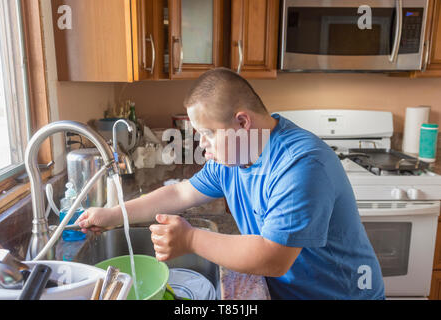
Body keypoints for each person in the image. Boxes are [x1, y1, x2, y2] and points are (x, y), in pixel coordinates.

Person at [77, 68, 385, 300]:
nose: (204, 146)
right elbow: (181, 191)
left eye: (208, 134)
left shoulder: (301, 164)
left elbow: (274, 257)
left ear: (242, 122)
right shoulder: (236, 156)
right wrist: (113, 213)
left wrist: (190, 239)